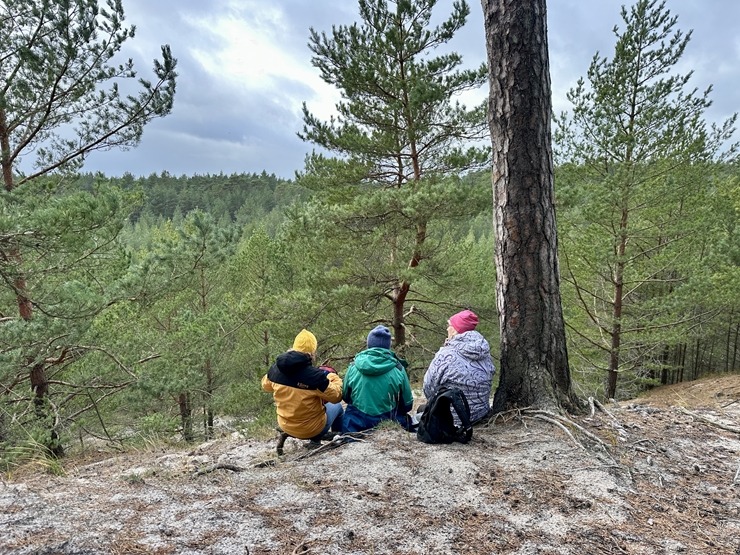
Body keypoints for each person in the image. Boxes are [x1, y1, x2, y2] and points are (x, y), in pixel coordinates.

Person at [261, 329, 344, 442]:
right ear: (312, 352)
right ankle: (337, 439)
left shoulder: (276, 369)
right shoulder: (315, 377)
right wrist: (333, 378)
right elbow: (336, 397)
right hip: (311, 429)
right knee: (338, 407)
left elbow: (266, 386)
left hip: (286, 425)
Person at [422, 310, 495, 424]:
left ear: (456, 329)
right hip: (480, 414)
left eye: (449, 325)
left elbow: (428, 387)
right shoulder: (485, 353)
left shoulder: (446, 355)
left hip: (453, 418)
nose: (447, 329)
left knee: (421, 410)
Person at [341, 325, 414, 433]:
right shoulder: (398, 369)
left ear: (369, 344)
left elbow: (346, 397)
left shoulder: (353, 366)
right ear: (388, 346)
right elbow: (408, 404)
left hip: (355, 424)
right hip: (389, 420)